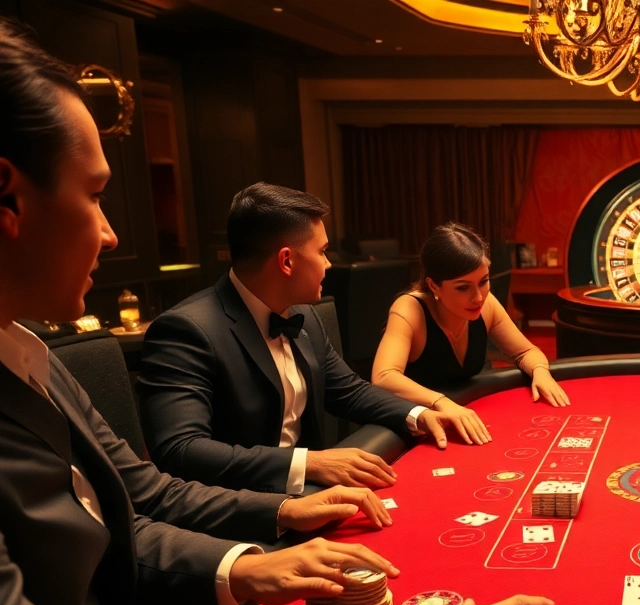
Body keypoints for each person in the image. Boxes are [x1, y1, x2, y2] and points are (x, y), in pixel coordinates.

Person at [0, 20, 561, 605]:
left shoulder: (29, 354)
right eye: (96, 195)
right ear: (7, 196)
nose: (109, 234)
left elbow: (132, 504)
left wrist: (246, 562)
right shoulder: (186, 331)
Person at [139, 183, 465, 496]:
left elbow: (348, 392)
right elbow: (180, 451)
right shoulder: (187, 331)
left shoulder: (305, 315)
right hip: (241, 512)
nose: (328, 263)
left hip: (310, 495)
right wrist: (309, 463)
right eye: (322, 252)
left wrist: (419, 414)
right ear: (286, 261)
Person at [371, 222, 569, 446]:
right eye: (463, 287)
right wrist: (442, 402)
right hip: (414, 431)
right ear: (434, 286)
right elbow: (383, 376)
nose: (478, 297)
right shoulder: (409, 309)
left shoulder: (487, 304)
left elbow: (525, 351)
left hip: (464, 418)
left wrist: (540, 371)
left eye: (483, 282)